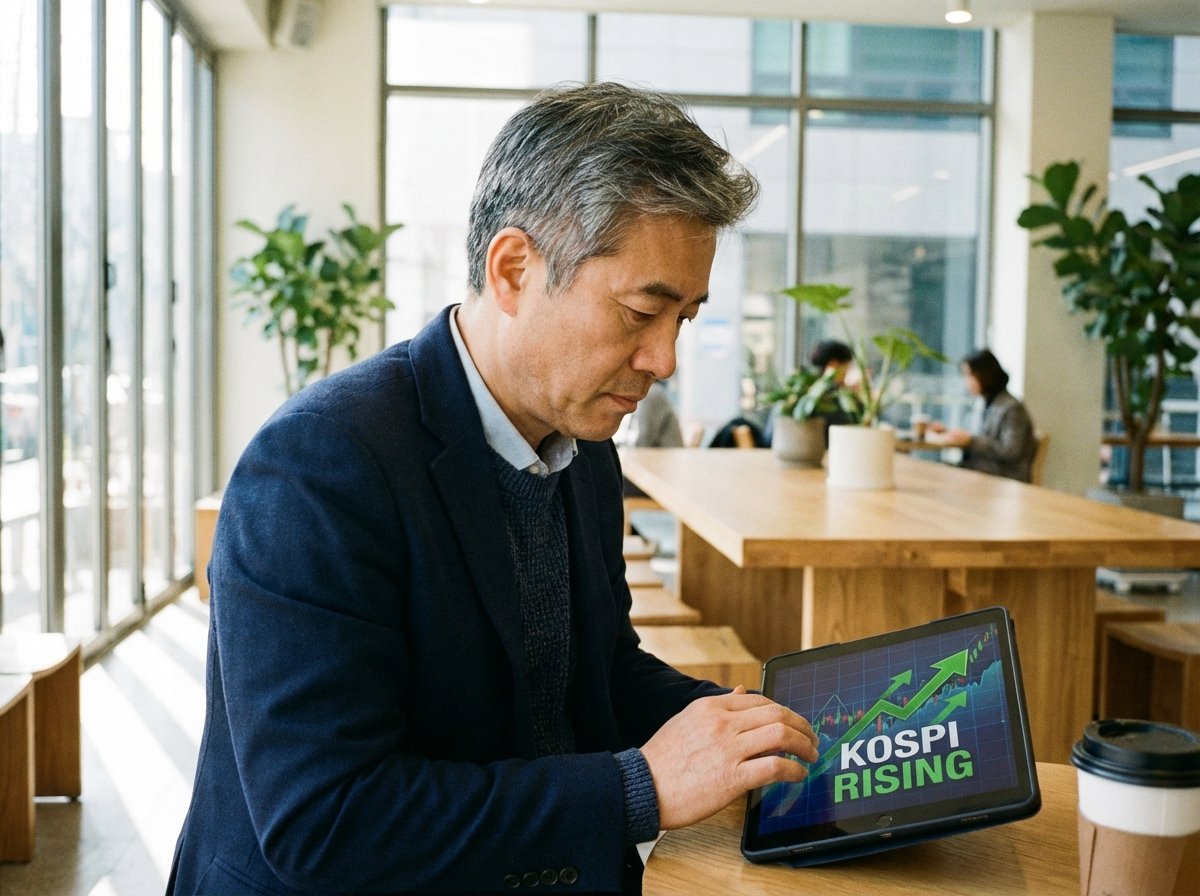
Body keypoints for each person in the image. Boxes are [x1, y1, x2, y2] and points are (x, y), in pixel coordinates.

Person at [167, 82, 818, 896]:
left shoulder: (581, 439)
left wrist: (753, 729)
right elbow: (325, 820)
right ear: (513, 270)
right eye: (639, 313)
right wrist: (641, 786)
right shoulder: (320, 465)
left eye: (683, 318)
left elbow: (599, 672)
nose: (664, 361)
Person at [928, 348, 1037, 482]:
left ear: (985, 375)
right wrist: (948, 432)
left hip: (1004, 476)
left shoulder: (1012, 408)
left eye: (970, 375)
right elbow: (972, 436)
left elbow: (1011, 452)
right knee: (934, 469)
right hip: (979, 470)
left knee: (940, 474)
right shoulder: (981, 403)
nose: (967, 382)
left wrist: (971, 440)